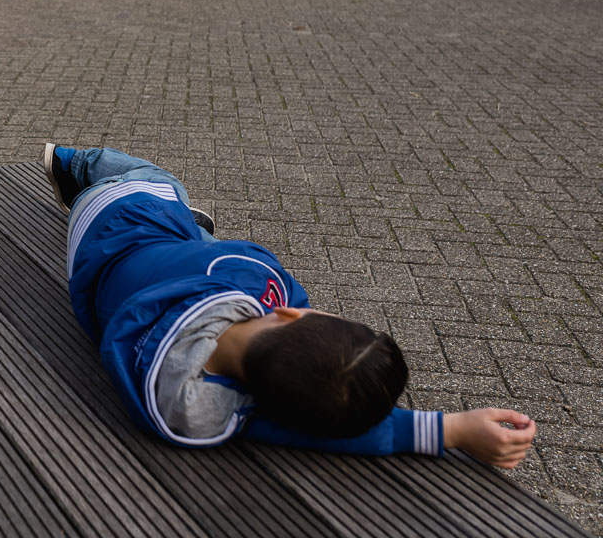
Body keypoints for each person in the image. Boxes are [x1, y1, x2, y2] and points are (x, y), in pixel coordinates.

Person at [41, 144, 537, 468]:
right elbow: (323, 429)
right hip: (88, 280)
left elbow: (268, 285)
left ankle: (71, 162)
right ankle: (191, 230)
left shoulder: (246, 273)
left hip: (118, 216)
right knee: (188, 238)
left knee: (160, 177)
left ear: (288, 314)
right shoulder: (206, 407)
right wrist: (451, 429)